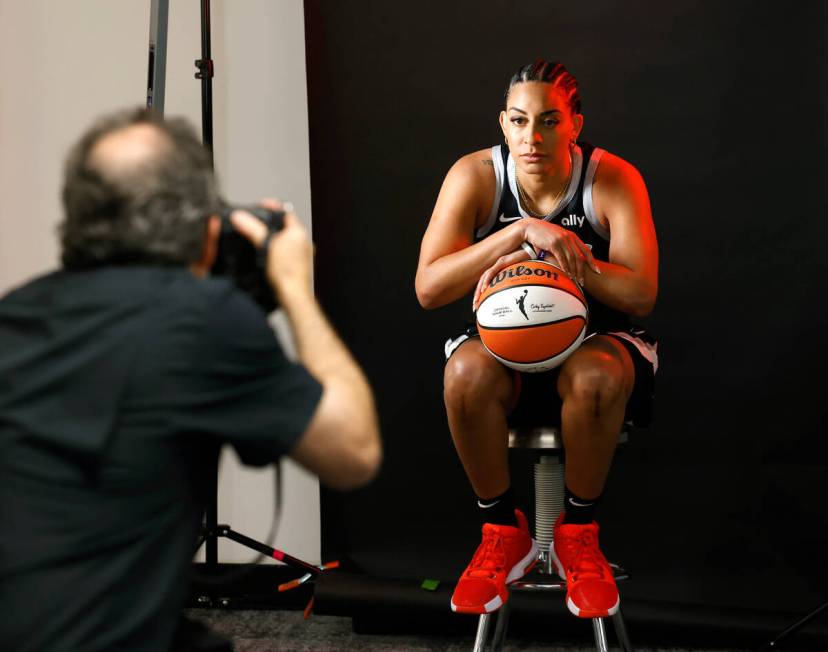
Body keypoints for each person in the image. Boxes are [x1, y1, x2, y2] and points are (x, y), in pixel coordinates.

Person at [0, 108, 382, 651]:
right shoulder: (201, 318)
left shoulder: (16, 312)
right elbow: (354, 450)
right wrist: (293, 287)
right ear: (203, 222)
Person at [415, 60, 658, 619]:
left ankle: (578, 533)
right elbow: (429, 287)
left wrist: (566, 263)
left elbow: (642, 293)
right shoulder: (475, 176)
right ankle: (502, 530)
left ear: (575, 124)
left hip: (599, 346)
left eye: (550, 121)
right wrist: (517, 233)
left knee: (596, 372)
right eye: (520, 121)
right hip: (504, 353)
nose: (532, 137)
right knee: (464, 373)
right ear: (503, 124)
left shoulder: (612, 178)